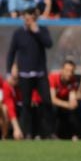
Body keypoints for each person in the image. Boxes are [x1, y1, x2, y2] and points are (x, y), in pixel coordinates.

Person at [6, 7, 54, 139]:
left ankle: (48, 133)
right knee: (25, 104)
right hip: (24, 74)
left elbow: (49, 44)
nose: (28, 21)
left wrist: (36, 31)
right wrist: (9, 72)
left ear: (35, 18)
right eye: (26, 18)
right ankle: (25, 133)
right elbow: (11, 52)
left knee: (46, 102)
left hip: (40, 73)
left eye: (31, 18)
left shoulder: (42, 30)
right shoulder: (18, 33)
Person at [49, 59, 81, 140]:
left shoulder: (73, 80)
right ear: (62, 70)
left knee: (76, 108)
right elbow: (53, 99)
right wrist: (68, 105)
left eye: (72, 71)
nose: (69, 73)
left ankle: (75, 135)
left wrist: (73, 102)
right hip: (51, 103)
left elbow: (72, 95)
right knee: (54, 108)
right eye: (67, 70)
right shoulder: (53, 78)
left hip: (64, 103)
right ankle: (52, 134)